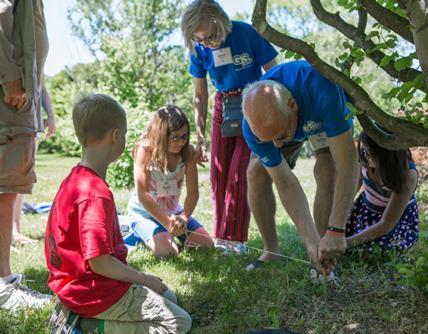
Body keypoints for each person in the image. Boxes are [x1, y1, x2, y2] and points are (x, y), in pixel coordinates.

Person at [45, 94, 191, 333]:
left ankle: (84, 316)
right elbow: (100, 262)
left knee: (170, 297)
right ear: (115, 136)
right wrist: (143, 278)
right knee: (179, 322)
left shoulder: (73, 179)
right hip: (93, 291)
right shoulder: (95, 194)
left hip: (73, 286)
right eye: (123, 133)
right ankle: (88, 324)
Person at [241, 60, 359, 275]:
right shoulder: (253, 127)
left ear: (292, 105)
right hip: (289, 124)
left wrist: (336, 229)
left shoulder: (324, 90)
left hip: (319, 117)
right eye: (269, 141)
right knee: (256, 173)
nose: (278, 146)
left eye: (280, 137)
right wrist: (309, 241)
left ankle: (327, 249)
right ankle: (272, 250)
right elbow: (285, 183)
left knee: (328, 170)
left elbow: (348, 165)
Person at [181, 0, 278, 252]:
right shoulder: (199, 47)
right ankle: (222, 239)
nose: (207, 43)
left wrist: (272, 114)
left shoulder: (246, 32)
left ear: (220, 21)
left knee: (239, 174)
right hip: (223, 105)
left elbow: (274, 72)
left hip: (253, 101)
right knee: (218, 174)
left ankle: (236, 241)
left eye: (210, 36)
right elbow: (200, 94)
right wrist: (200, 135)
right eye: (199, 39)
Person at [0, 0, 52, 310]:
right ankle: (3, 284)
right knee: (5, 188)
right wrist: (11, 77)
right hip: (10, 96)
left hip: (19, 96)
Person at [126, 105, 213, 257]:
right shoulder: (145, 150)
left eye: (185, 136)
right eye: (175, 137)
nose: (181, 142)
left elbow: (193, 193)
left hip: (173, 212)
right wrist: (168, 224)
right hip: (144, 213)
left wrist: (183, 218)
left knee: (206, 245)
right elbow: (143, 194)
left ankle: (166, 235)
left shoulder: (188, 152)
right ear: (161, 135)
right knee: (168, 252)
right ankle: (141, 233)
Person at [345, 130, 419, 252]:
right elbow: (350, 191)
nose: (366, 156)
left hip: (394, 221)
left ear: (386, 154)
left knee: (375, 250)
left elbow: (386, 224)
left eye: (370, 153)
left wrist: (346, 244)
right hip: (365, 211)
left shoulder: (408, 174)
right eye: (364, 150)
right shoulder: (364, 155)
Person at [13, 79, 56, 245]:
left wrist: (50, 115)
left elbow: (42, 86)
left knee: (22, 178)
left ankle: (15, 231)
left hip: (32, 122)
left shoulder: (37, 54)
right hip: (10, 119)